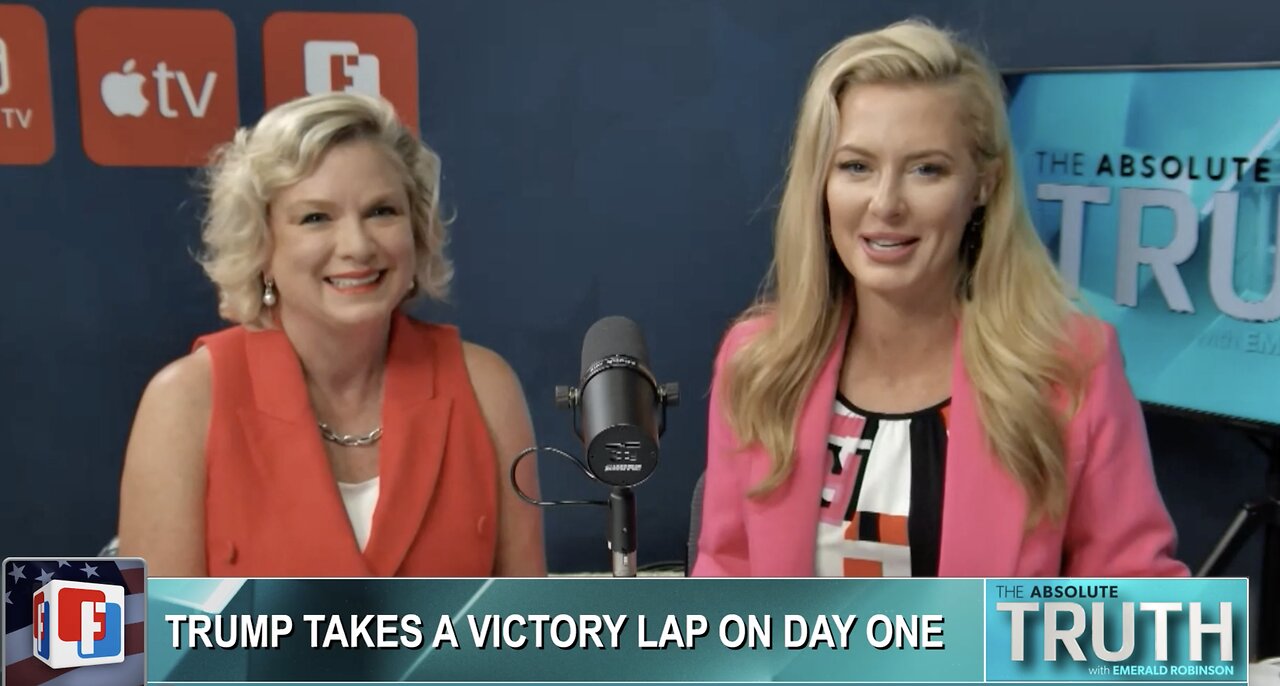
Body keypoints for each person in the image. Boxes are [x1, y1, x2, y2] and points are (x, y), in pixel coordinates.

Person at [693, 20, 1187, 577]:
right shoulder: (757, 362)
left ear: (983, 185)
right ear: (821, 183)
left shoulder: (1072, 368)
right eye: (856, 166)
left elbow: (1145, 618)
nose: (886, 204)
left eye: (927, 169)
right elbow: (724, 586)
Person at [117, 92, 545, 577]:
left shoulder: (486, 386)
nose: (358, 245)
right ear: (261, 244)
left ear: (417, 231)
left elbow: (523, 634)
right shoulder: (185, 401)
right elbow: (153, 646)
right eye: (315, 217)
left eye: (382, 211)